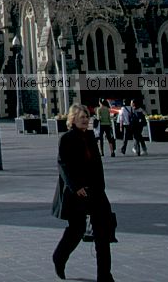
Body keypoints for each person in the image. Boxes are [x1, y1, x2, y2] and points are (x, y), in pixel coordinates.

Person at [52, 103, 116, 282]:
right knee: (77, 230)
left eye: (87, 117)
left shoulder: (90, 137)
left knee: (103, 233)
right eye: (82, 117)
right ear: (72, 119)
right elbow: (62, 165)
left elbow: (97, 165)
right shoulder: (66, 138)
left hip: (95, 190)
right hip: (77, 193)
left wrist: (101, 188)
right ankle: (59, 257)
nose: (86, 120)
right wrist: (76, 187)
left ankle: (104, 276)